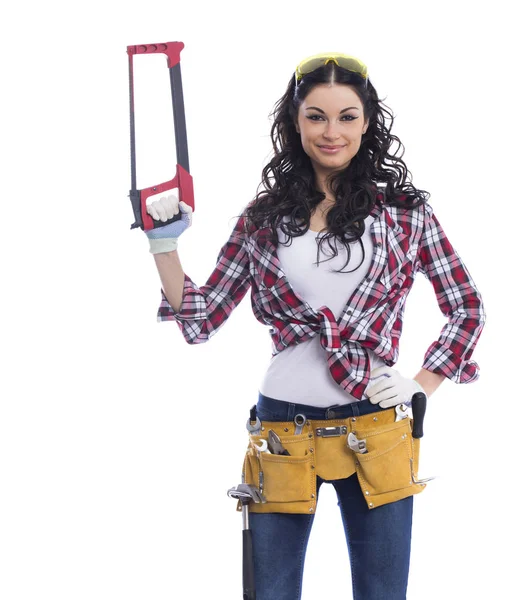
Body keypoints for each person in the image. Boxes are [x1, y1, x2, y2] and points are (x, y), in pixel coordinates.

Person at [143, 53, 486, 600]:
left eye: (347, 116)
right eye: (316, 116)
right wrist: (163, 244)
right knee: (271, 593)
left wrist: (421, 386)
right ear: (295, 121)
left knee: (382, 593)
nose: (332, 132)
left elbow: (466, 306)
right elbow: (202, 318)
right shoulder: (263, 218)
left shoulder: (405, 215)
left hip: (378, 429)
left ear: (368, 121)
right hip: (283, 432)